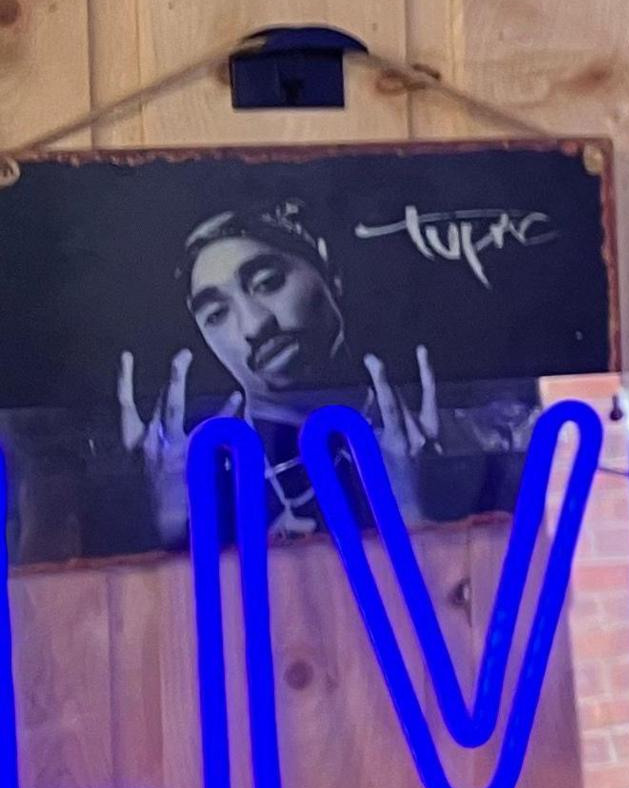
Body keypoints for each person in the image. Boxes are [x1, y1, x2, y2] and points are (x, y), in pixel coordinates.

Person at [116, 204, 527, 548]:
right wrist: (168, 519)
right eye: (216, 314)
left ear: (330, 273)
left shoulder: (472, 436)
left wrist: (411, 507)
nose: (254, 325)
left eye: (267, 283)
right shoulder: (202, 476)